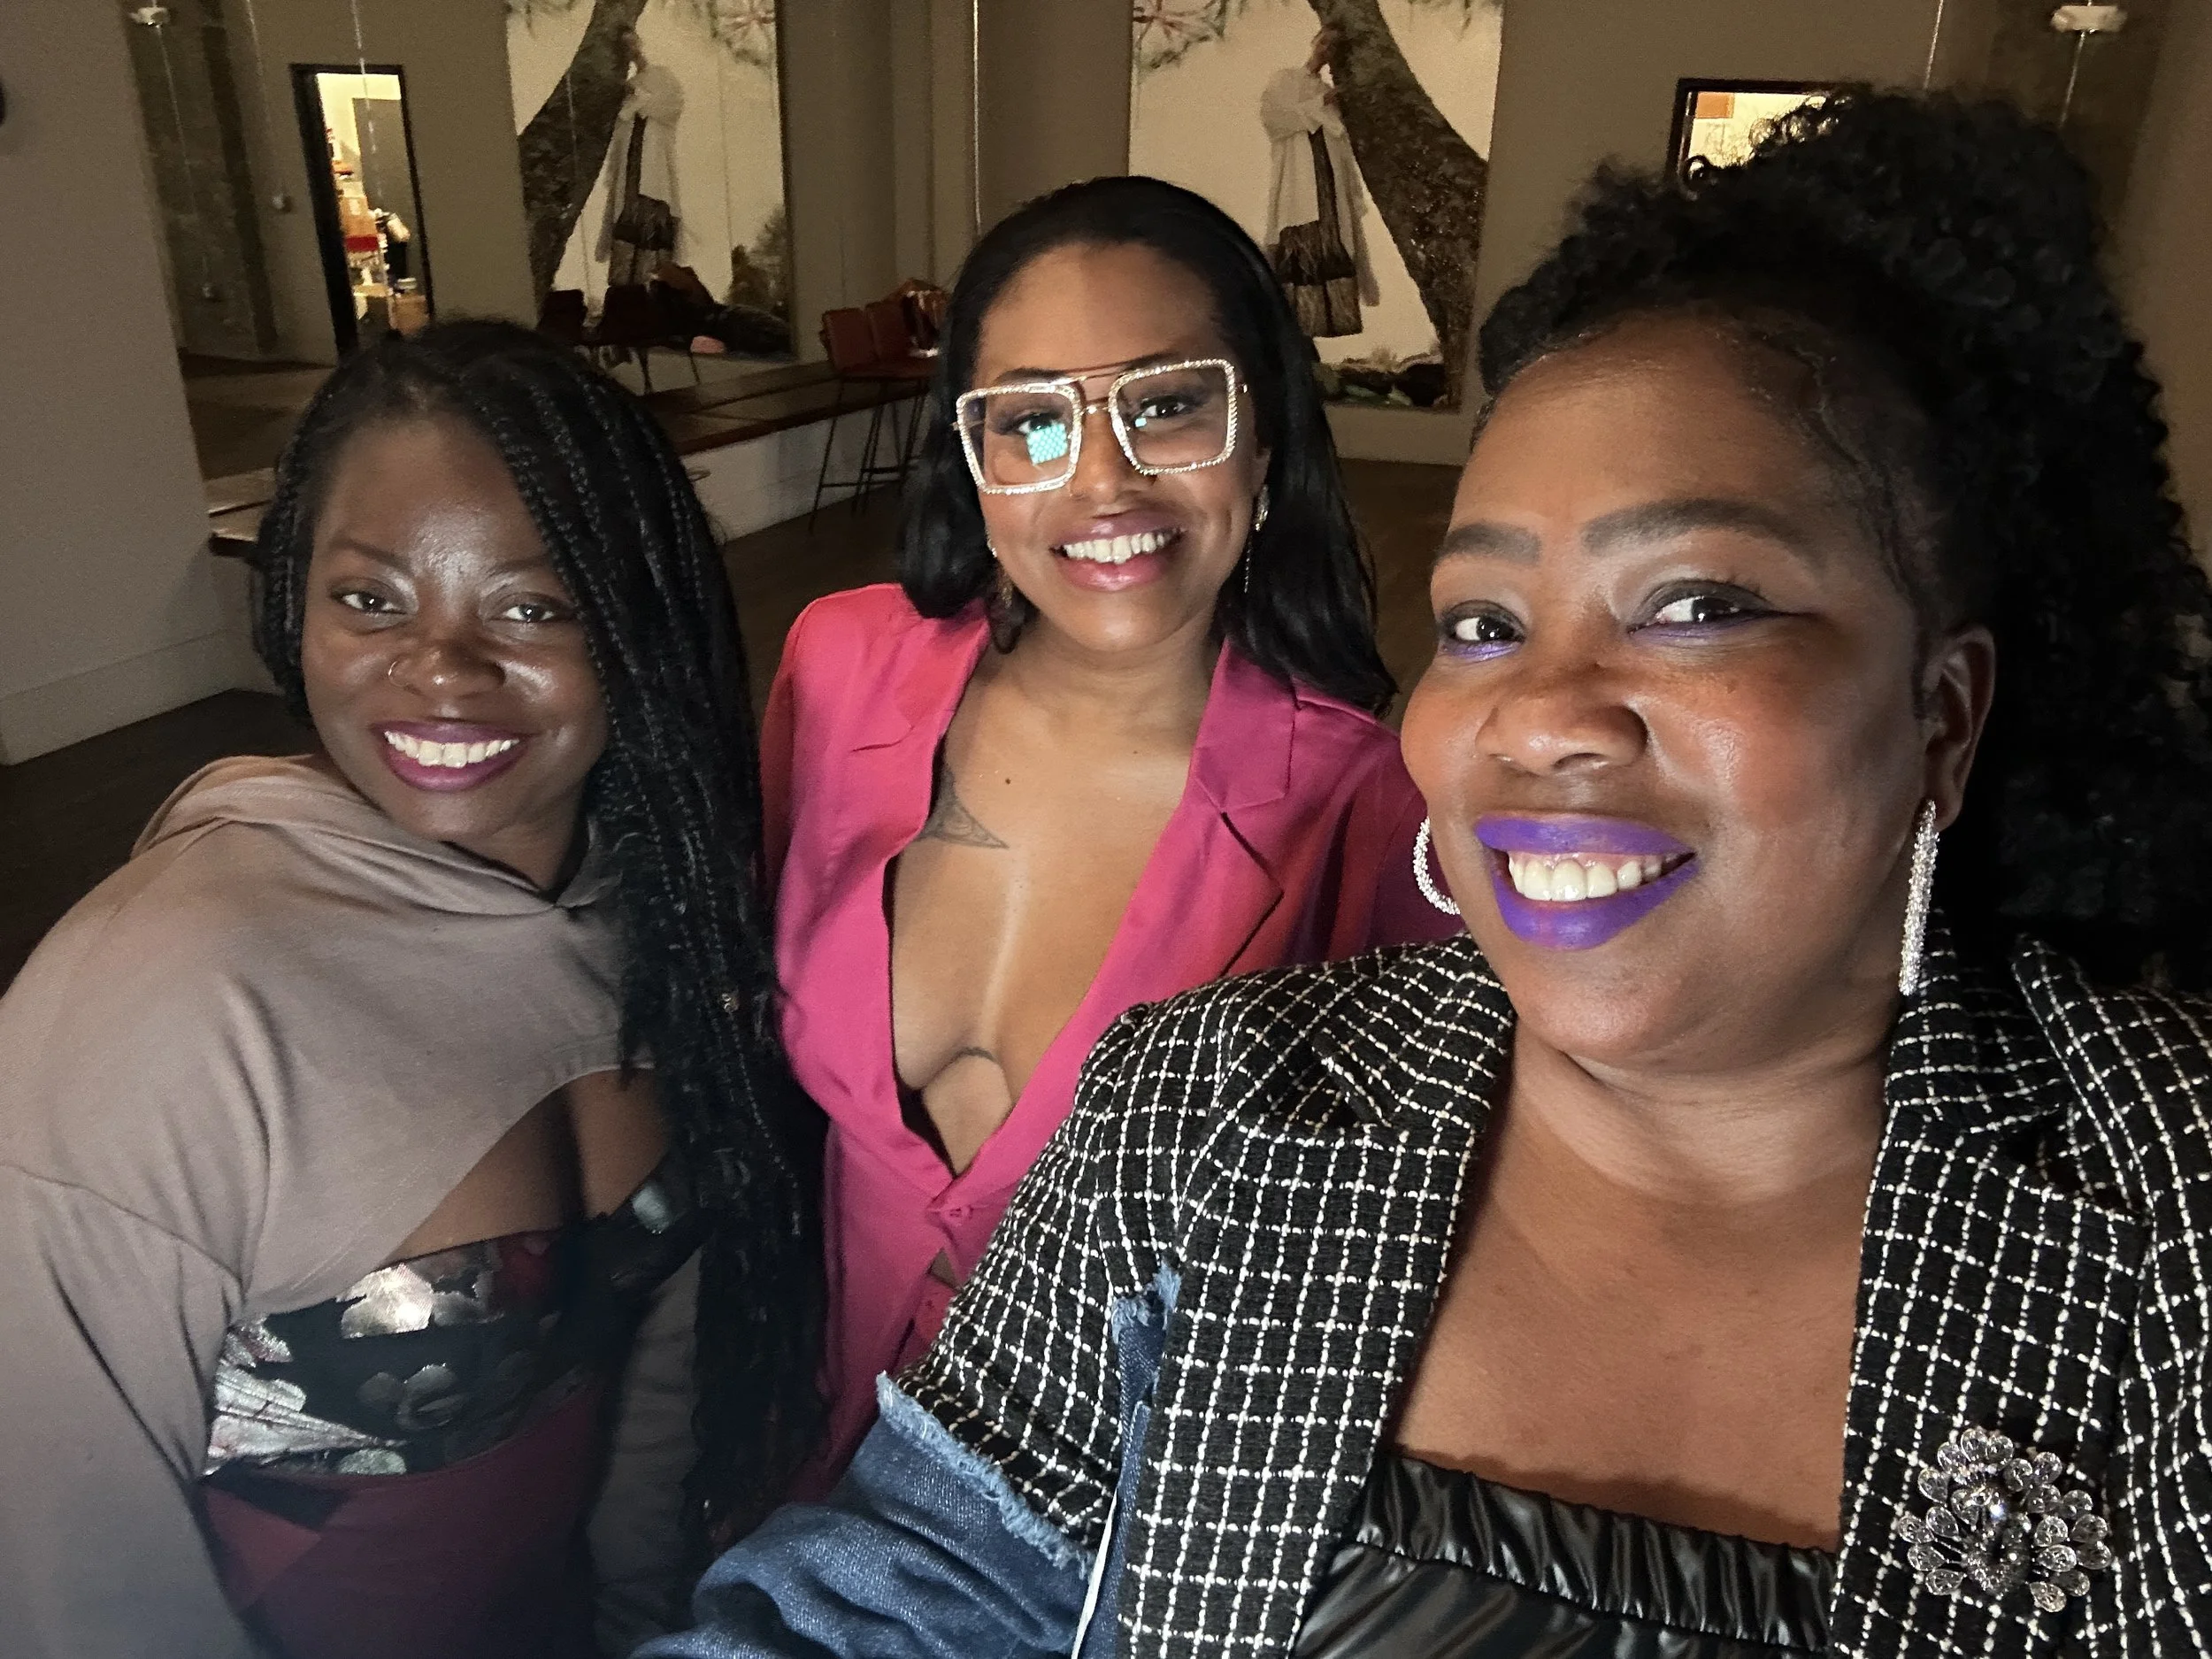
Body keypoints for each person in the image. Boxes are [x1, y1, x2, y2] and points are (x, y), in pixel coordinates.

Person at [645, 92, 2212, 1656]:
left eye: (1698, 603)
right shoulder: (1206, 1101)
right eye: (1484, 624)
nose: (1540, 714)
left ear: (1943, 712)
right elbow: (913, 1576)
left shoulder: (2163, 1221)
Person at [0, 322, 821, 1659]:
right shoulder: (159, 1005)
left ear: (636, 625)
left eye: (533, 605)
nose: (442, 665)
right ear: (294, 606)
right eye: (372, 600)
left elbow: (653, 1396)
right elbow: (64, 1578)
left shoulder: (661, 913)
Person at [762, 175, 1457, 1481]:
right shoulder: (839, 669)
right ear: (974, 462)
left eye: (1169, 404)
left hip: (1113, 1523)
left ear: (1265, 435)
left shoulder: (1366, 806)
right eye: (1032, 419)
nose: (1101, 479)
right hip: (809, 1449)